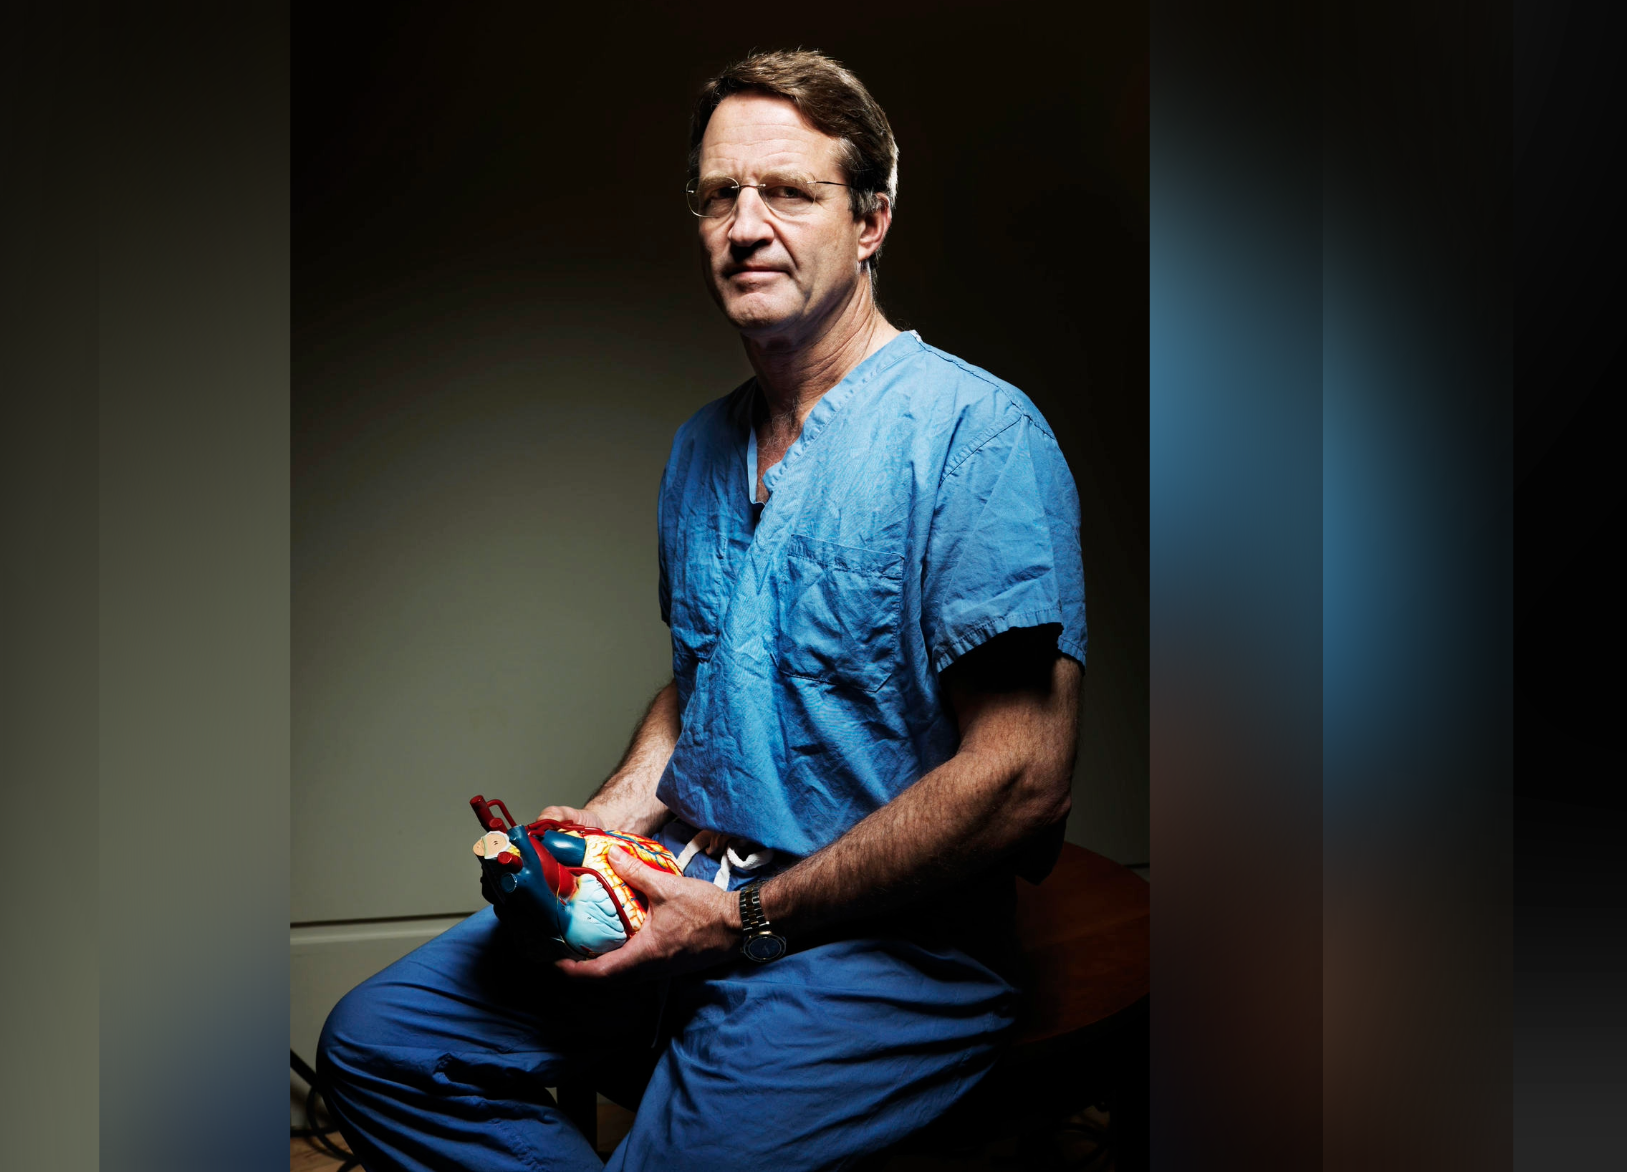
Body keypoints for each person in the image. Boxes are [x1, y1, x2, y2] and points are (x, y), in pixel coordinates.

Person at [318, 48, 1087, 1171]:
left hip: (874, 947)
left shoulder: (975, 438)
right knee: (380, 1044)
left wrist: (743, 921)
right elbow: (710, 675)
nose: (744, 223)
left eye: (786, 191)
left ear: (869, 221)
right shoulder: (699, 448)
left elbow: (1023, 774)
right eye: (720, 193)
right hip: (686, 888)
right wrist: (605, 819)